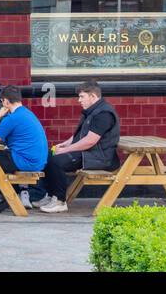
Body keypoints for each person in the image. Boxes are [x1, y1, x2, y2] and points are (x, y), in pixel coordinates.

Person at [36, 80, 120, 213]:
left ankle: (60, 201)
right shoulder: (92, 111)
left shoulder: (104, 114)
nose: (78, 100)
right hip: (88, 153)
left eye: (82, 97)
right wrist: (66, 143)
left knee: (57, 161)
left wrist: (65, 150)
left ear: (93, 96)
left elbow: (90, 141)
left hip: (99, 157)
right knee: (48, 155)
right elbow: (81, 135)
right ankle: (51, 195)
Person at [0, 86, 49, 213]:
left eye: (2, 102)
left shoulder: (12, 118)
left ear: (5, 102)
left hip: (26, 161)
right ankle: (3, 193)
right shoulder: (27, 113)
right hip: (38, 161)